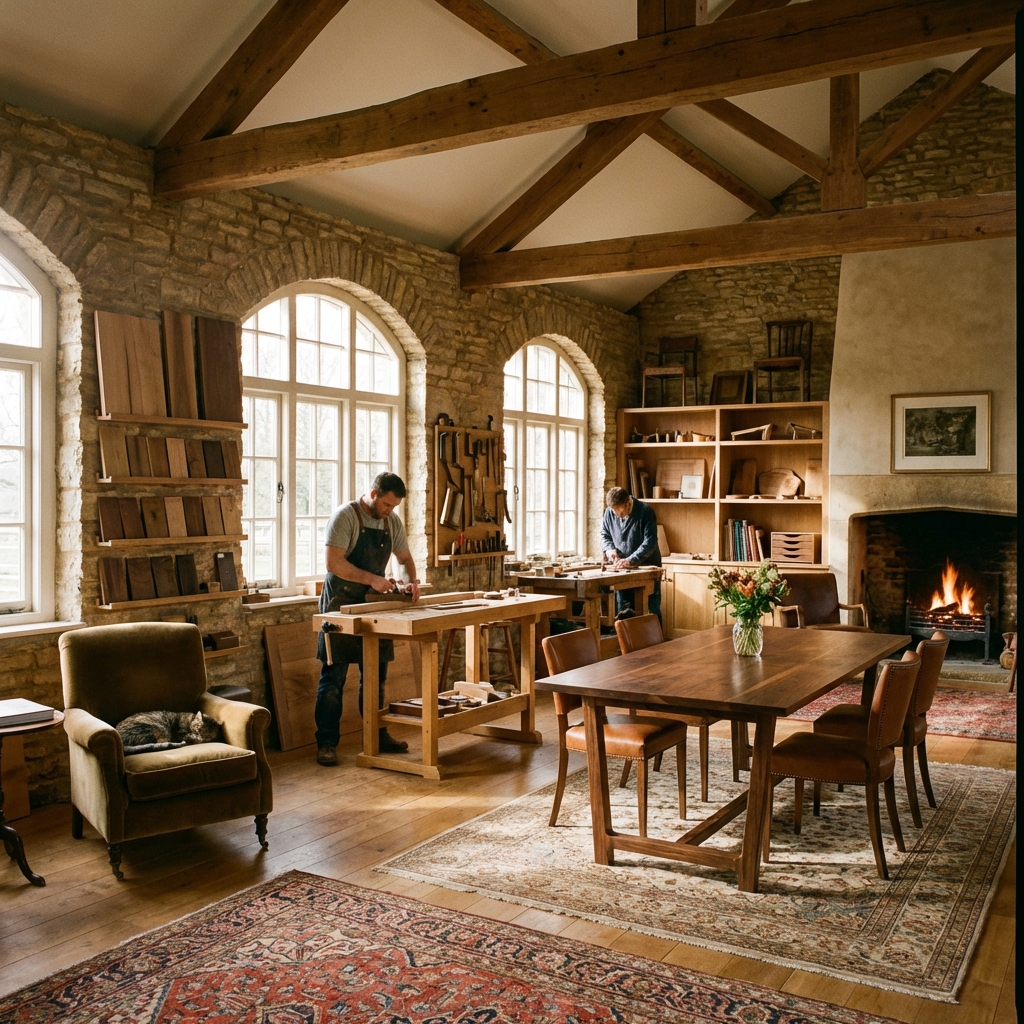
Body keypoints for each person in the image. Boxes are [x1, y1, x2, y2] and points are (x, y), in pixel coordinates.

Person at [314, 472, 421, 766]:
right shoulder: (346, 517)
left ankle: (377, 734)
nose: (390, 511)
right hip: (340, 604)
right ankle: (326, 743)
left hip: (374, 608)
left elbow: (404, 559)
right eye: (386, 504)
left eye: (394, 506)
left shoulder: (391, 522)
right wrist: (373, 579)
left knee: (375, 677)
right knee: (333, 679)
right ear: (373, 494)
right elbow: (333, 563)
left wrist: (411, 582)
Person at [600, 486, 662, 624]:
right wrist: (610, 551)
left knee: (651, 611)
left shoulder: (645, 511)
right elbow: (604, 535)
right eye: (614, 512)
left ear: (628, 502)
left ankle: (655, 638)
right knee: (624, 611)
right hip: (622, 569)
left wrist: (631, 560)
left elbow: (650, 542)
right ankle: (626, 638)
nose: (618, 516)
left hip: (646, 567)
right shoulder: (609, 512)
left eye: (621, 513)